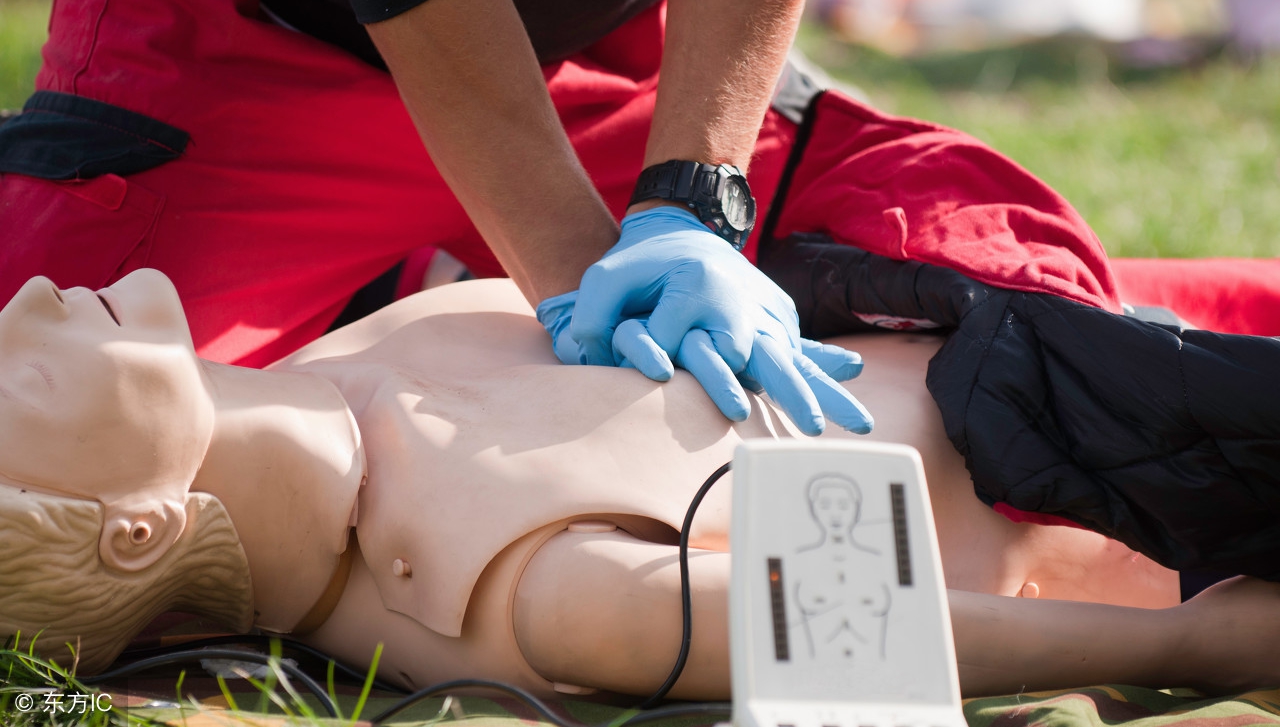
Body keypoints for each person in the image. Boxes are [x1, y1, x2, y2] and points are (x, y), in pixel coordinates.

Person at [5, 268, 1279, 700]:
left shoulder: (342, 361)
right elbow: (849, 632)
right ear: (136, 534)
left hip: (984, 321)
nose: (33, 297)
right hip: (1121, 473)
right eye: (26, 381)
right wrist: (1193, 645)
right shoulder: (508, 590)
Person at [0, 0, 879, 438]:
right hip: (243, 29)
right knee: (40, 444)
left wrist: (693, 198)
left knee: (987, 306)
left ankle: (413, 289)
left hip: (615, 56)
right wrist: (581, 284)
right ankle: (391, 292)